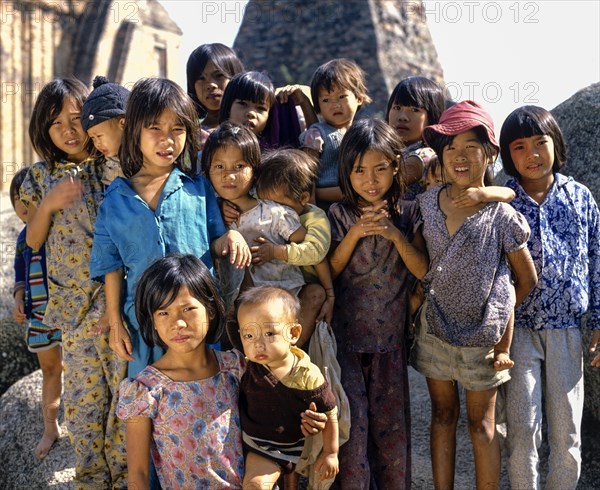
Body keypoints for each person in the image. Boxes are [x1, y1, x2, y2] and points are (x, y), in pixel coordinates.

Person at [117, 255, 329, 489]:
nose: (177, 323)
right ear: (153, 320)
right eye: (163, 313)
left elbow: (277, 414)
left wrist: (306, 420)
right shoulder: (145, 390)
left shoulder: (238, 367)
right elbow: (137, 474)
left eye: (188, 308)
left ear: (210, 310)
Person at [411, 100, 538, 490]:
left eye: (471, 148)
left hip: (484, 342)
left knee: (481, 424)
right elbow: (421, 266)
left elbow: (527, 279)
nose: (459, 156)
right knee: (442, 416)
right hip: (435, 333)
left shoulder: (501, 216)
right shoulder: (427, 204)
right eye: (450, 147)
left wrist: (499, 313)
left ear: (490, 155)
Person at [90, 78, 251, 378]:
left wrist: (231, 236)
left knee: (202, 396)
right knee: (149, 403)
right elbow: (111, 267)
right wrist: (115, 323)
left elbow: (214, 243)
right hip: (144, 325)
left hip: (197, 321)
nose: (167, 140)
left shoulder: (199, 189)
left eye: (177, 129)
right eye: (155, 129)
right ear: (133, 129)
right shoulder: (113, 201)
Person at [19, 78, 127, 487]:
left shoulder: (111, 165)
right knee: (83, 401)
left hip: (115, 303)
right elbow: (32, 239)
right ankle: (91, 477)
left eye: (76, 119)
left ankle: (122, 475)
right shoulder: (39, 177)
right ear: (42, 131)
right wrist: (48, 203)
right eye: (55, 123)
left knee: (121, 393)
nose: (68, 130)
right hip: (73, 312)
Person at [499, 105, 600, 489]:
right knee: (523, 428)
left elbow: (596, 257)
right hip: (518, 329)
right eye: (519, 147)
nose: (532, 155)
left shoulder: (580, 197)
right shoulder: (504, 201)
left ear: (555, 143)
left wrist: (599, 319)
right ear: (509, 156)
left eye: (540, 143)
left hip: (567, 329)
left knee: (566, 428)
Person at [327, 118, 427, 487]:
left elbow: (422, 268)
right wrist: (355, 234)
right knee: (352, 431)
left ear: (396, 167)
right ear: (346, 172)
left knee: (391, 433)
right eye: (359, 171)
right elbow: (331, 271)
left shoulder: (408, 212)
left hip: (390, 345)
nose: (371, 180)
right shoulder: (338, 216)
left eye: (381, 169)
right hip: (347, 343)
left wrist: (395, 236)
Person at [201, 123, 320, 347]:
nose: (229, 175)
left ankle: (289, 355)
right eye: (219, 166)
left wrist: (276, 251)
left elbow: (304, 242)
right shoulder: (209, 214)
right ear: (207, 172)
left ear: (255, 170)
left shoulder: (273, 212)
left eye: (239, 166)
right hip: (241, 311)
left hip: (285, 298)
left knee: (315, 294)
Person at [238, 286, 339, 489]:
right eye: (249, 336)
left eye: (268, 333)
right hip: (246, 436)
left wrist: (330, 452)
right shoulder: (246, 365)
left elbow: (330, 413)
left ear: (293, 333)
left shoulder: (306, 375)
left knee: (256, 485)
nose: (257, 344)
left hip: (277, 448)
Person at [253, 148, 336, 344]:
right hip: (278, 284)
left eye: (278, 205)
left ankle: (292, 352)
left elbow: (315, 252)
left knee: (316, 295)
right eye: (266, 204)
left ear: (303, 198)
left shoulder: (315, 219)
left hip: (304, 287)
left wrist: (277, 252)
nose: (272, 210)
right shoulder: (268, 211)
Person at [11, 167, 63, 460]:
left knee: (82, 369)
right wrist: (19, 299)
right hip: (39, 316)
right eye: (21, 199)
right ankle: (50, 426)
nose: (27, 204)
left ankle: (81, 420)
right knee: (50, 370)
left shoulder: (62, 228)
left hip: (69, 313)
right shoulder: (22, 238)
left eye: (34, 197)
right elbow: (20, 274)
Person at [301, 58, 372, 209]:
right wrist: (311, 208)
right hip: (326, 204)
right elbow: (307, 174)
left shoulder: (363, 132)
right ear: (318, 107)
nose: (335, 105)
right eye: (326, 100)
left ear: (358, 98)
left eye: (341, 97)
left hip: (358, 199)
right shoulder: (317, 134)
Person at [219, 71, 314, 151]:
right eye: (243, 104)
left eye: (261, 108)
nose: (251, 113)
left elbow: (315, 146)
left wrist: (305, 103)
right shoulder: (214, 145)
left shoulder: (272, 156)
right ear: (228, 106)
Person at [385, 76, 445, 201]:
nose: (402, 117)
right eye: (397, 108)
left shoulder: (425, 155)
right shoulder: (386, 151)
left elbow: (380, 184)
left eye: (414, 110)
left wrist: (333, 193)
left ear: (432, 117)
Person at [186, 43, 244, 148]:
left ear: (236, 78)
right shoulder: (188, 136)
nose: (211, 85)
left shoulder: (251, 123)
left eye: (219, 75)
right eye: (201, 78)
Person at [81, 75, 130, 185]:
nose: (97, 144)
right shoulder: (109, 167)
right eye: (92, 138)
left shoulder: (148, 156)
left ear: (123, 124)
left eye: (99, 136)